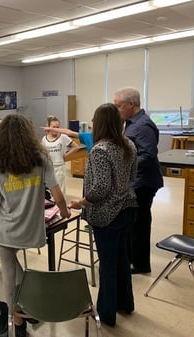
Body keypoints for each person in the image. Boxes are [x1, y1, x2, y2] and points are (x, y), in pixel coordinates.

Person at [0, 114, 71, 337]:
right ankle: (28, 306)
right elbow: (57, 196)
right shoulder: (41, 159)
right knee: (15, 271)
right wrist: (65, 212)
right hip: (32, 231)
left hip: (6, 231)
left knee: (9, 281)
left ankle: (16, 322)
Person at [70, 103, 138, 327]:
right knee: (121, 259)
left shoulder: (100, 150)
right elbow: (132, 177)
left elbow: (100, 188)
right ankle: (125, 303)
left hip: (108, 215)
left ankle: (107, 314)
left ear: (100, 123)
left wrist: (82, 201)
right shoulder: (128, 144)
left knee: (107, 265)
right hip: (128, 209)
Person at [114, 87, 163, 274]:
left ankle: (141, 264)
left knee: (139, 224)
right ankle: (133, 259)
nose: (117, 109)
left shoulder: (142, 126)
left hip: (142, 183)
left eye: (119, 106)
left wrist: (123, 166)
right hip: (136, 181)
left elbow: (148, 156)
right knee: (134, 223)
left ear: (130, 104)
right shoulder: (131, 123)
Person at [41, 116, 79, 195]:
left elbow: (76, 147)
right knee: (49, 190)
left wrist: (66, 155)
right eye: (53, 127)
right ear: (49, 127)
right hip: (49, 167)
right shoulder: (44, 139)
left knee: (60, 190)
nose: (56, 129)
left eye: (57, 127)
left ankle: (60, 206)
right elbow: (43, 152)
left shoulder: (63, 137)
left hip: (59, 167)